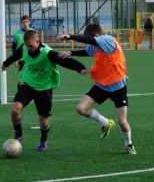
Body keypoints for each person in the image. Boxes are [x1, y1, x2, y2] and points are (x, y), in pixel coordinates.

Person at [57, 23, 137, 155]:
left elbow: (90, 41)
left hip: (118, 86)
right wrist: (70, 53)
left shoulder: (107, 40)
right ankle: (106, 123)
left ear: (96, 36)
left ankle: (129, 144)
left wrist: (70, 36)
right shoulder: (94, 45)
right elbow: (87, 51)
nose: (91, 44)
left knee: (123, 122)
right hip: (102, 84)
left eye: (91, 40)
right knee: (81, 108)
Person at [1, 30, 87, 151]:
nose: (29, 48)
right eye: (27, 46)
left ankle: (43, 139)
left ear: (37, 41)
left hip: (44, 88)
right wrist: (5, 63)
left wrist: (80, 68)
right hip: (28, 84)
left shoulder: (47, 53)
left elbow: (64, 61)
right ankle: (19, 134)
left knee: (43, 121)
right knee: (15, 109)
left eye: (31, 45)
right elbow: (17, 55)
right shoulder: (25, 48)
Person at [12, 15, 33, 90]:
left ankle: (30, 96)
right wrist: (15, 59)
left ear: (29, 22)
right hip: (21, 59)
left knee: (30, 78)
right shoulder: (17, 33)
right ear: (21, 23)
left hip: (31, 58)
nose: (25, 24)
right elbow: (14, 47)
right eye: (23, 22)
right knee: (21, 79)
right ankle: (19, 95)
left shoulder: (32, 32)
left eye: (26, 22)